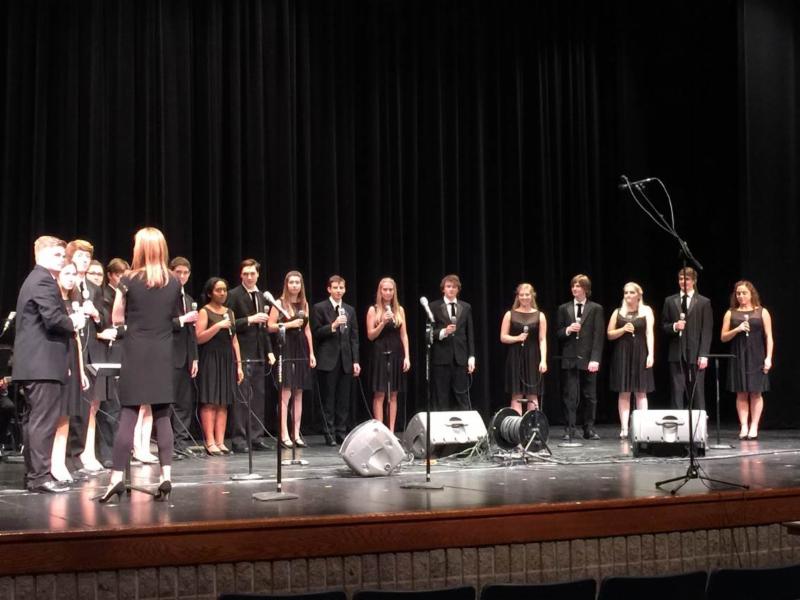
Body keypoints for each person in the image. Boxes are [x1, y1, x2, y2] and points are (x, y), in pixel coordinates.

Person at [98, 227, 181, 503]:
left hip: (135, 351)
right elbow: (173, 317)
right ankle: (166, 476)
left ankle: (116, 479)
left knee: (129, 414)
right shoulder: (174, 281)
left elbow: (117, 317)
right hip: (162, 351)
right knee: (162, 414)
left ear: (139, 249)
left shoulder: (128, 280)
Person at [14, 236, 85, 493]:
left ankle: (35, 475)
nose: (62, 259)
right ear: (40, 255)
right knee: (42, 421)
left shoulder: (36, 279)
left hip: (35, 363)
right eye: (57, 255)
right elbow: (53, 319)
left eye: (63, 255)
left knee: (35, 421)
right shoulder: (43, 280)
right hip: (41, 364)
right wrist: (74, 321)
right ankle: (40, 477)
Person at [65, 239, 109, 473]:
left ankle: (86, 453)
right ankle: (71, 456)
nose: (84, 260)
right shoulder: (66, 282)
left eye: (87, 257)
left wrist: (96, 315)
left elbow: (104, 320)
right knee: (74, 405)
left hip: (92, 350)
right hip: (73, 349)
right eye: (80, 256)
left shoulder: (93, 288)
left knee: (91, 404)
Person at [225, 259, 276, 453]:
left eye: (252, 273)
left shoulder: (261, 296)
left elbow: (263, 328)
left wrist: (269, 350)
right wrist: (249, 319)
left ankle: (256, 437)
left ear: (258, 275)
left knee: (258, 397)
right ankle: (239, 439)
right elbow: (229, 323)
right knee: (242, 397)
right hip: (242, 352)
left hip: (259, 353)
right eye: (245, 273)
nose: (249, 277)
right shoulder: (233, 295)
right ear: (241, 275)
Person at [195, 277, 244, 456]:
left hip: (227, 359)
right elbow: (198, 338)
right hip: (210, 359)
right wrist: (217, 326)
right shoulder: (204, 311)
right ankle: (209, 442)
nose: (222, 293)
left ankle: (220, 441)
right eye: (218, 290)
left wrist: (239, 365)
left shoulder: (229, 312)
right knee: (210, 400)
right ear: (210, 293)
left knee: (224, 401)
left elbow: (234, 340)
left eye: (224, 290)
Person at [51, 262, 90, 483]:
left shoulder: (75, 302)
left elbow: (76, 339)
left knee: (67, 412)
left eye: (73, 274)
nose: (71, 277)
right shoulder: (54, 300)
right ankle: (50, 462)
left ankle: (59, 461)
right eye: (66, 273)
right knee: (55, 412)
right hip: (58, 357)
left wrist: (81, 370)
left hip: (73, 357)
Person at [721, 280, 773, 440]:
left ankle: (754, 426)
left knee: (756, 392)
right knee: (741, 392)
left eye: (744, 293)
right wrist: (737, 329)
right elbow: (723, 337)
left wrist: (769, 358)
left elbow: (769, 336)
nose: (741, 296)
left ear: (751, 294)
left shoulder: (762, 312)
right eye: (738, 293)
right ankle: (744, 425)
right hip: (738, 356)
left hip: (757, 356)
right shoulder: (731, 313)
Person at [268, 271, 316, 447]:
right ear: (286, 285)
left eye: (297, 282)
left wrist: (311, 353)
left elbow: (307, 329)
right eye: (291, 282)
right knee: (286, 392)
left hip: (301, 348)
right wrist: (288, 325)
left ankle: (296, 433)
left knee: (298, 392)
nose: (294, 285)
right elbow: (270, 326)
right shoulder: (279, 303)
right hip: (286, 347)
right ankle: (284, 434)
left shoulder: (304, 304)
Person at [312, 275, 360, 445]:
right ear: (329, 289)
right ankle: (329, 432)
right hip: (328, 360)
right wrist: (333, 326)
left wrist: (355, 360)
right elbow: (316, 332)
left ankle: (341, 431)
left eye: (341, 288)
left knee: (343, 399)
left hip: (345, 360)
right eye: (335, 287)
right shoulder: (320, 308)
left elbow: (354, 337)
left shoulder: (349, 310)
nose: (339, 291)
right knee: (328, 399)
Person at [556, 274, 604, 440]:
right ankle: (569, 428)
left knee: (590, 396)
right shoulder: (564, 308)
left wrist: (595, 358)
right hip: (570, 358)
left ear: (586, 289)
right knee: (570, 395)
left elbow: (598, 335)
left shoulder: (595, 308)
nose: (574, 289)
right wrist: (568, 329)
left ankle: (589, 428)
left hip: (588, 358)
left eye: (578, 286)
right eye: (573, 286)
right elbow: (558, 333)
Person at [661, 267, 713, 410]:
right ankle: (678, 421)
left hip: (696, 352)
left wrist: (704, 354)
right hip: (676, 352)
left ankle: (698, 422)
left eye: (687, 279)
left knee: (697, 390)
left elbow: (707, 331)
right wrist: (674, 326)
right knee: (677, 390)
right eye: (681, 279)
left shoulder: (703, 302)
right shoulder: (670, 301)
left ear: (694, 281)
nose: (683, 282)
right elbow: (664, 326)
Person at [607, 282, 655, 439]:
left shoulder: (646, 311)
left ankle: (643, 428)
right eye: (626, 292)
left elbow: (649, 333)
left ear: (639, 295)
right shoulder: (617, 312)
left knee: (641, 391)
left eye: (631, 292)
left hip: (640, 352)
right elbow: (609, 334)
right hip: (622, 353)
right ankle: (624, 428)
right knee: (624, 391)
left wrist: (651, 354)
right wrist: (622, 329)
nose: (628, 295)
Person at [366, 277, 410, 433]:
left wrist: (407, 356)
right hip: (380, 353)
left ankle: (390, 431)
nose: (388, 292)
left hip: (396, 353)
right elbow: (370, 335)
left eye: (391, 290)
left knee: (393, 394)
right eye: (385, 289)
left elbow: (404, 335)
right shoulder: (373, 310)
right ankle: (380, 430)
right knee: (380, 393)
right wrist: (383, 323)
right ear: (380, 291)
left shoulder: (399, 310)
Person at [430, 274, 476, 411]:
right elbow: (429, 333)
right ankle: (441, 424)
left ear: (458, 289)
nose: (451, 289)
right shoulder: (434, 306)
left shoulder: (465, 307)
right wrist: (444, 332)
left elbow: (470, 333)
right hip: (441, 358)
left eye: (454, 287)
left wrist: (471, 356)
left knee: (462, 396)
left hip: (460, 358)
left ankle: (466, 424)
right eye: (448, 286)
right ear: (443, 289)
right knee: (441, 396)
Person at [501, 283, 547, 414]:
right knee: (516, 394)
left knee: (532, 393)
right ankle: (517, 425)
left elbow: (542, 339)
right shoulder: (510, 314)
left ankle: (533, 423)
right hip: (515, 356)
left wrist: (543, 360)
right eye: (521, 295)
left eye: (527, 294)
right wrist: (517, 338)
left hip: (533, 356)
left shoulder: (540, 315)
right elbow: (503, 337)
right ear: (518, 296)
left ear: (532, 296)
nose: (524, 297)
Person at [169, 257, 199, 456]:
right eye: (178, 272)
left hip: (186, 357)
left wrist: (194, 357)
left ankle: (180, 442)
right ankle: (168, 443)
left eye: (185, 272)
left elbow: (192, 332)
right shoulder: (165, 295)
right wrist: (182, 319)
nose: (182, 276)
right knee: (168, 402)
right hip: (169, 354)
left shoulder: (187, 298)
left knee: (184, 403)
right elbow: (162, 324)